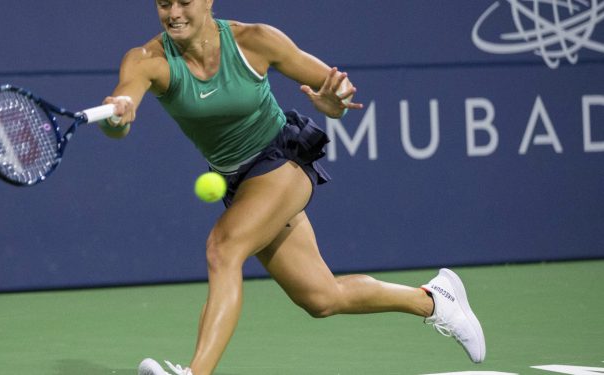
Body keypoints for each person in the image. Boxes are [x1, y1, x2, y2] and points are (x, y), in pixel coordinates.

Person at [100, 1, 486, 374]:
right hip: (240, 183)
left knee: (224, 248)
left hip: (282, 158)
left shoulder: (254, 40)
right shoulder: (146, 60)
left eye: (184, 2)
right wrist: (117, 118)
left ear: (208, 1)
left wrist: (333, 102)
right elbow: (122, 108)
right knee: (320, 297)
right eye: (164, 3)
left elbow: (334, 86)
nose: (174, 13)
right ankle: (435, 301)